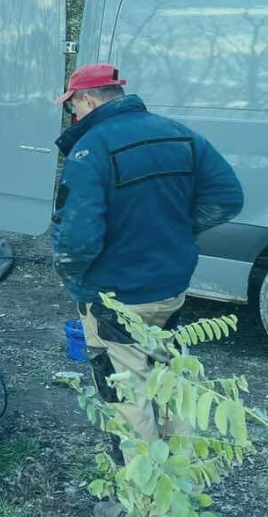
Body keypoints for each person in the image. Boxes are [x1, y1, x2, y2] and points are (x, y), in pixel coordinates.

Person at [51, 63, 243, 460]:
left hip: (115, 295)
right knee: (169, 379)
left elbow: (78, 238)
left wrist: (74, 281)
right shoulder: (181, 134)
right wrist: (177, 230)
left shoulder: (91, 150)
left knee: (126, 394)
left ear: (88, 99)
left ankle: (146, 497)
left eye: (73, 107)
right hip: (170, 287)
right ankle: (182, 473)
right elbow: (227, 198)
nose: (73, 117)